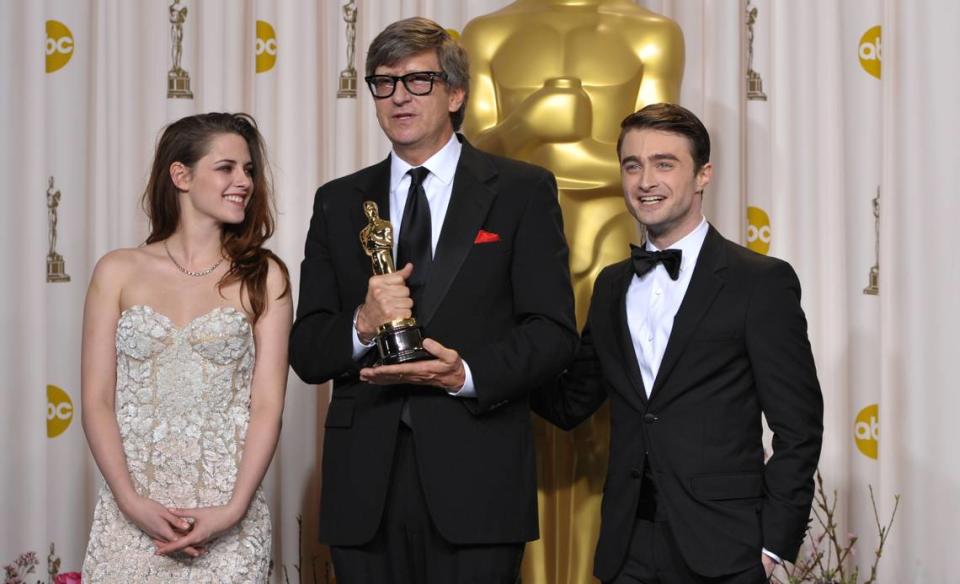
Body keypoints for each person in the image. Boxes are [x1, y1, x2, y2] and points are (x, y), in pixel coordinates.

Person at [289, 17, 577, 584]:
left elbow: (552, 332)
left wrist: (465, 373)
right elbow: (307, 351)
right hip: (362, 490)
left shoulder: (522, 191)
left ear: (456, 93)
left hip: (479, 477)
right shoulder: (338, 202)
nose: (399, 96)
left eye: (418, 80)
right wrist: (362, 325)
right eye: (384, 82)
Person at [532, 103, 823, 584]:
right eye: (632, 165)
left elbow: (799, 428)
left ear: (703, 174)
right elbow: (570, 402)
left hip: (725, 548)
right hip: (626, 547)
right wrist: (483, 363)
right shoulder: (609, 286)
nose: (645, 180)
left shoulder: (760, 282)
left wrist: (773, 545)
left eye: (664, 164)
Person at [460, 5, 684, 581]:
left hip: (609, 244)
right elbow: (469, 164)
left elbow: (657, 169)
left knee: (614, 420)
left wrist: (550, 147)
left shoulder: (651, 34)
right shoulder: (488, 33)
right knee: (508, 405)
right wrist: (527, 123)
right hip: (505, 249)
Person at [81, 112, 291, 583]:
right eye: (227, 168)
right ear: (181, 175)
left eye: (249, 170)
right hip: (129, 513)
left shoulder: (264, 277)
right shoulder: (116, 270)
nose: (244, 182)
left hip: (226, 517)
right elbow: (96, 402)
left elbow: (266, 407)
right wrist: (130, 502)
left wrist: (233, 510)